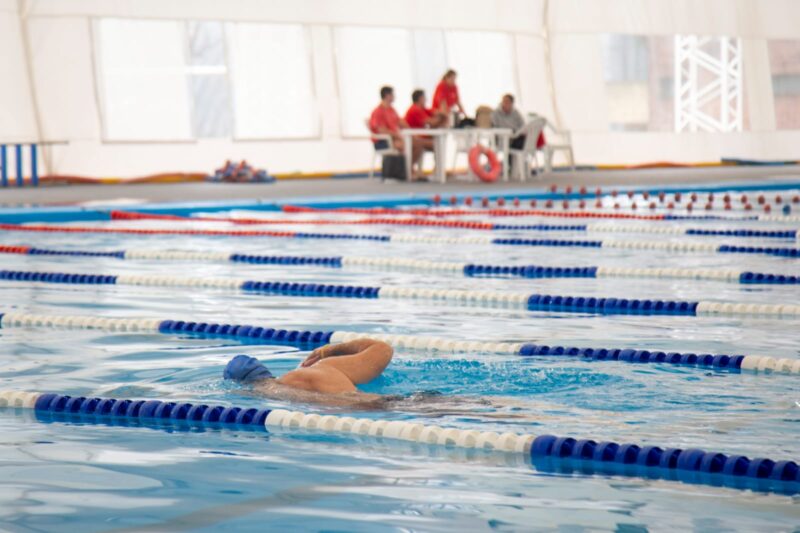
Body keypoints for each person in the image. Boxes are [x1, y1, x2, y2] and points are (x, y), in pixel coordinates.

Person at [404, 89, 447, 176]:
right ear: (420, 98)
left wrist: (441, 113)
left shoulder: (423, 109)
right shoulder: (415, 110)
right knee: (436, 144)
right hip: (413, 138)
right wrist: (440, 118)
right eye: (424, 98)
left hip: (421, 137)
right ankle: (408, 168)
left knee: (438, 144)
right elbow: (431, 122)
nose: (426, 99)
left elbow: (437, 113)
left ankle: (438, 170)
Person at [369, 86, 407, 153]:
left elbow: (400, 122)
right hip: (382, 141)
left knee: (413, 143)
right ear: (387, 95)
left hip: (393, 138)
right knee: (406, 145)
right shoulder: (378, 111)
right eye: (393, 94)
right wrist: (397, 136)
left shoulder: (391, 109)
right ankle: (404, 163)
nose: (394, 96)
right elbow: (381, 130)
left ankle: (406, 163)